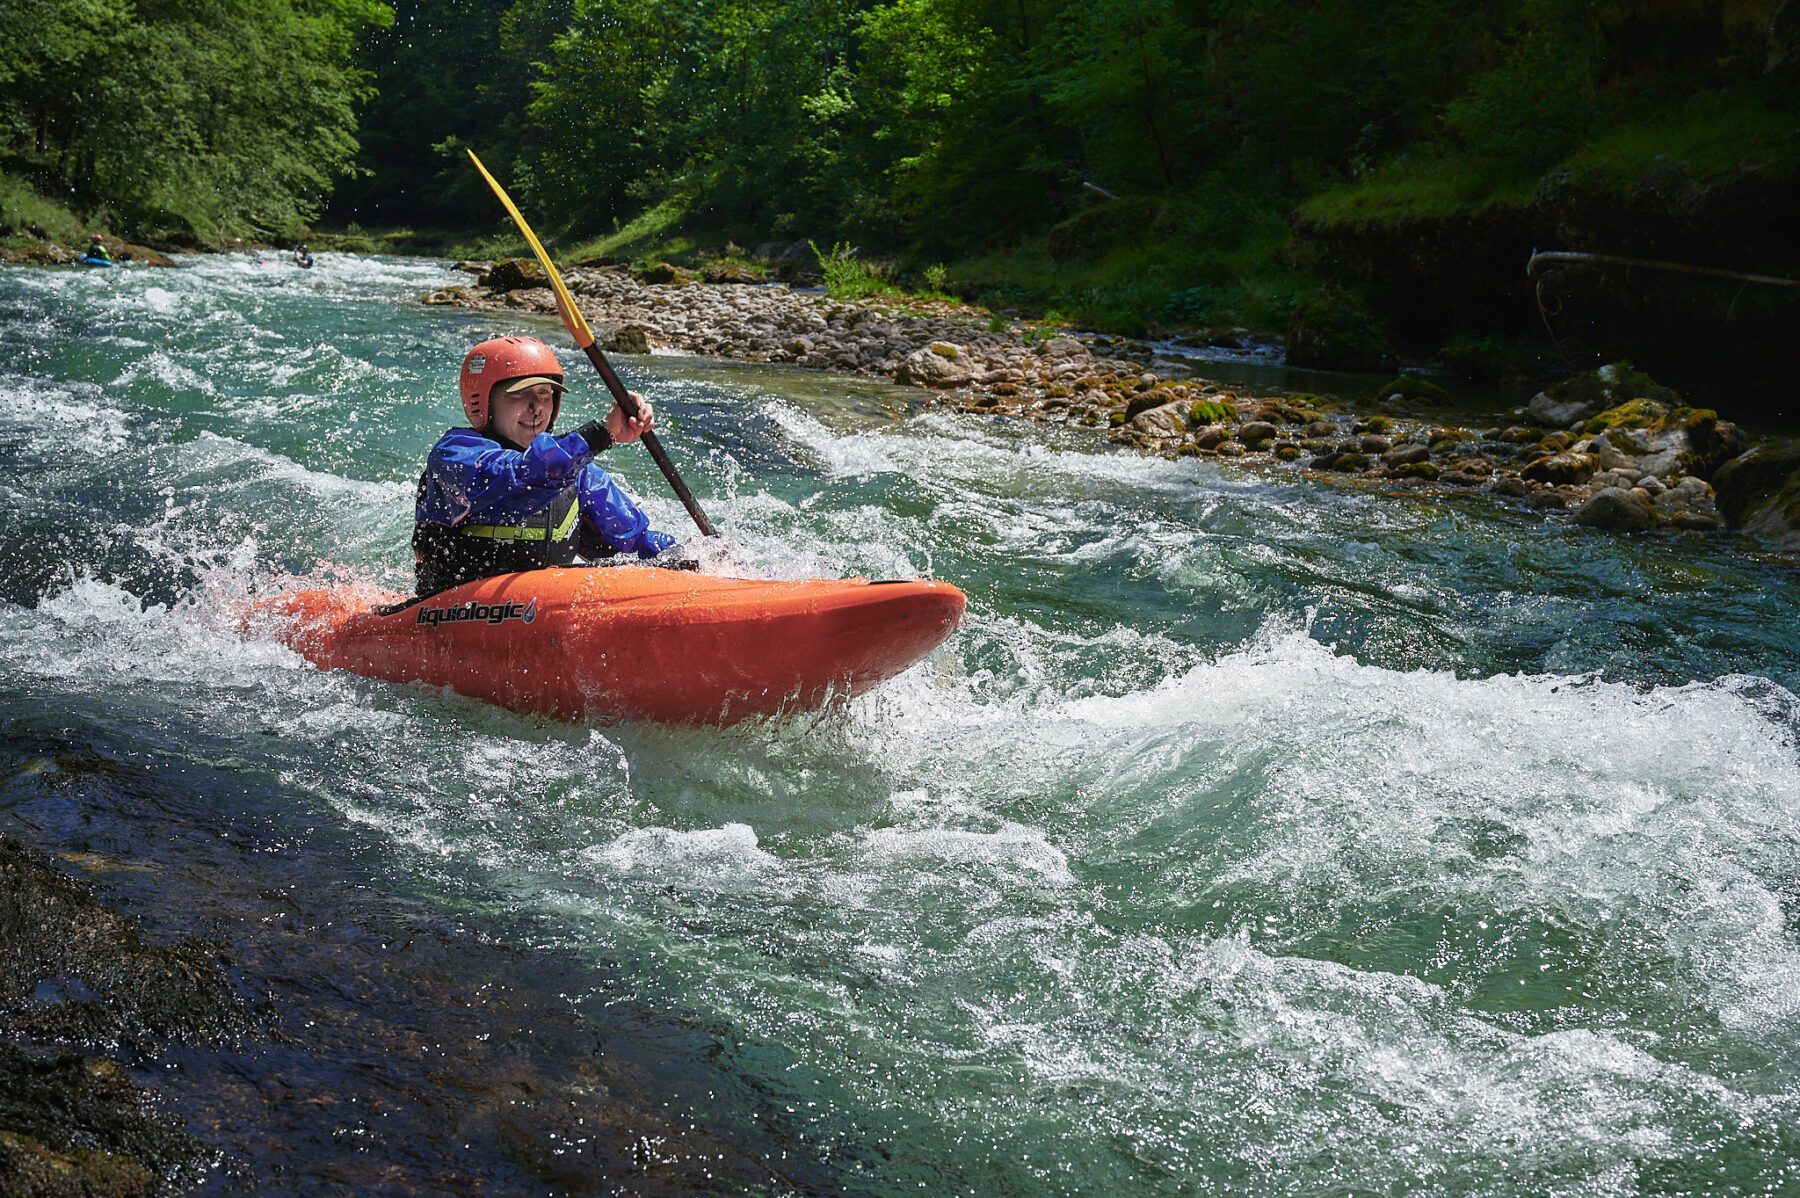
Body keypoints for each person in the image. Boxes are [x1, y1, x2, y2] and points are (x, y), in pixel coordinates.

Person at [413, 335, 677, 596]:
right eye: (520, 395)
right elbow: (523, 477)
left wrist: (684, 558)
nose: (537, 408)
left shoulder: (579, 473)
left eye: (544, 394)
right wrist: (603, 433)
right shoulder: (455, 454)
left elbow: (637, 541)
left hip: (539, 610)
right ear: (482, 401)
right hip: (451, 609)